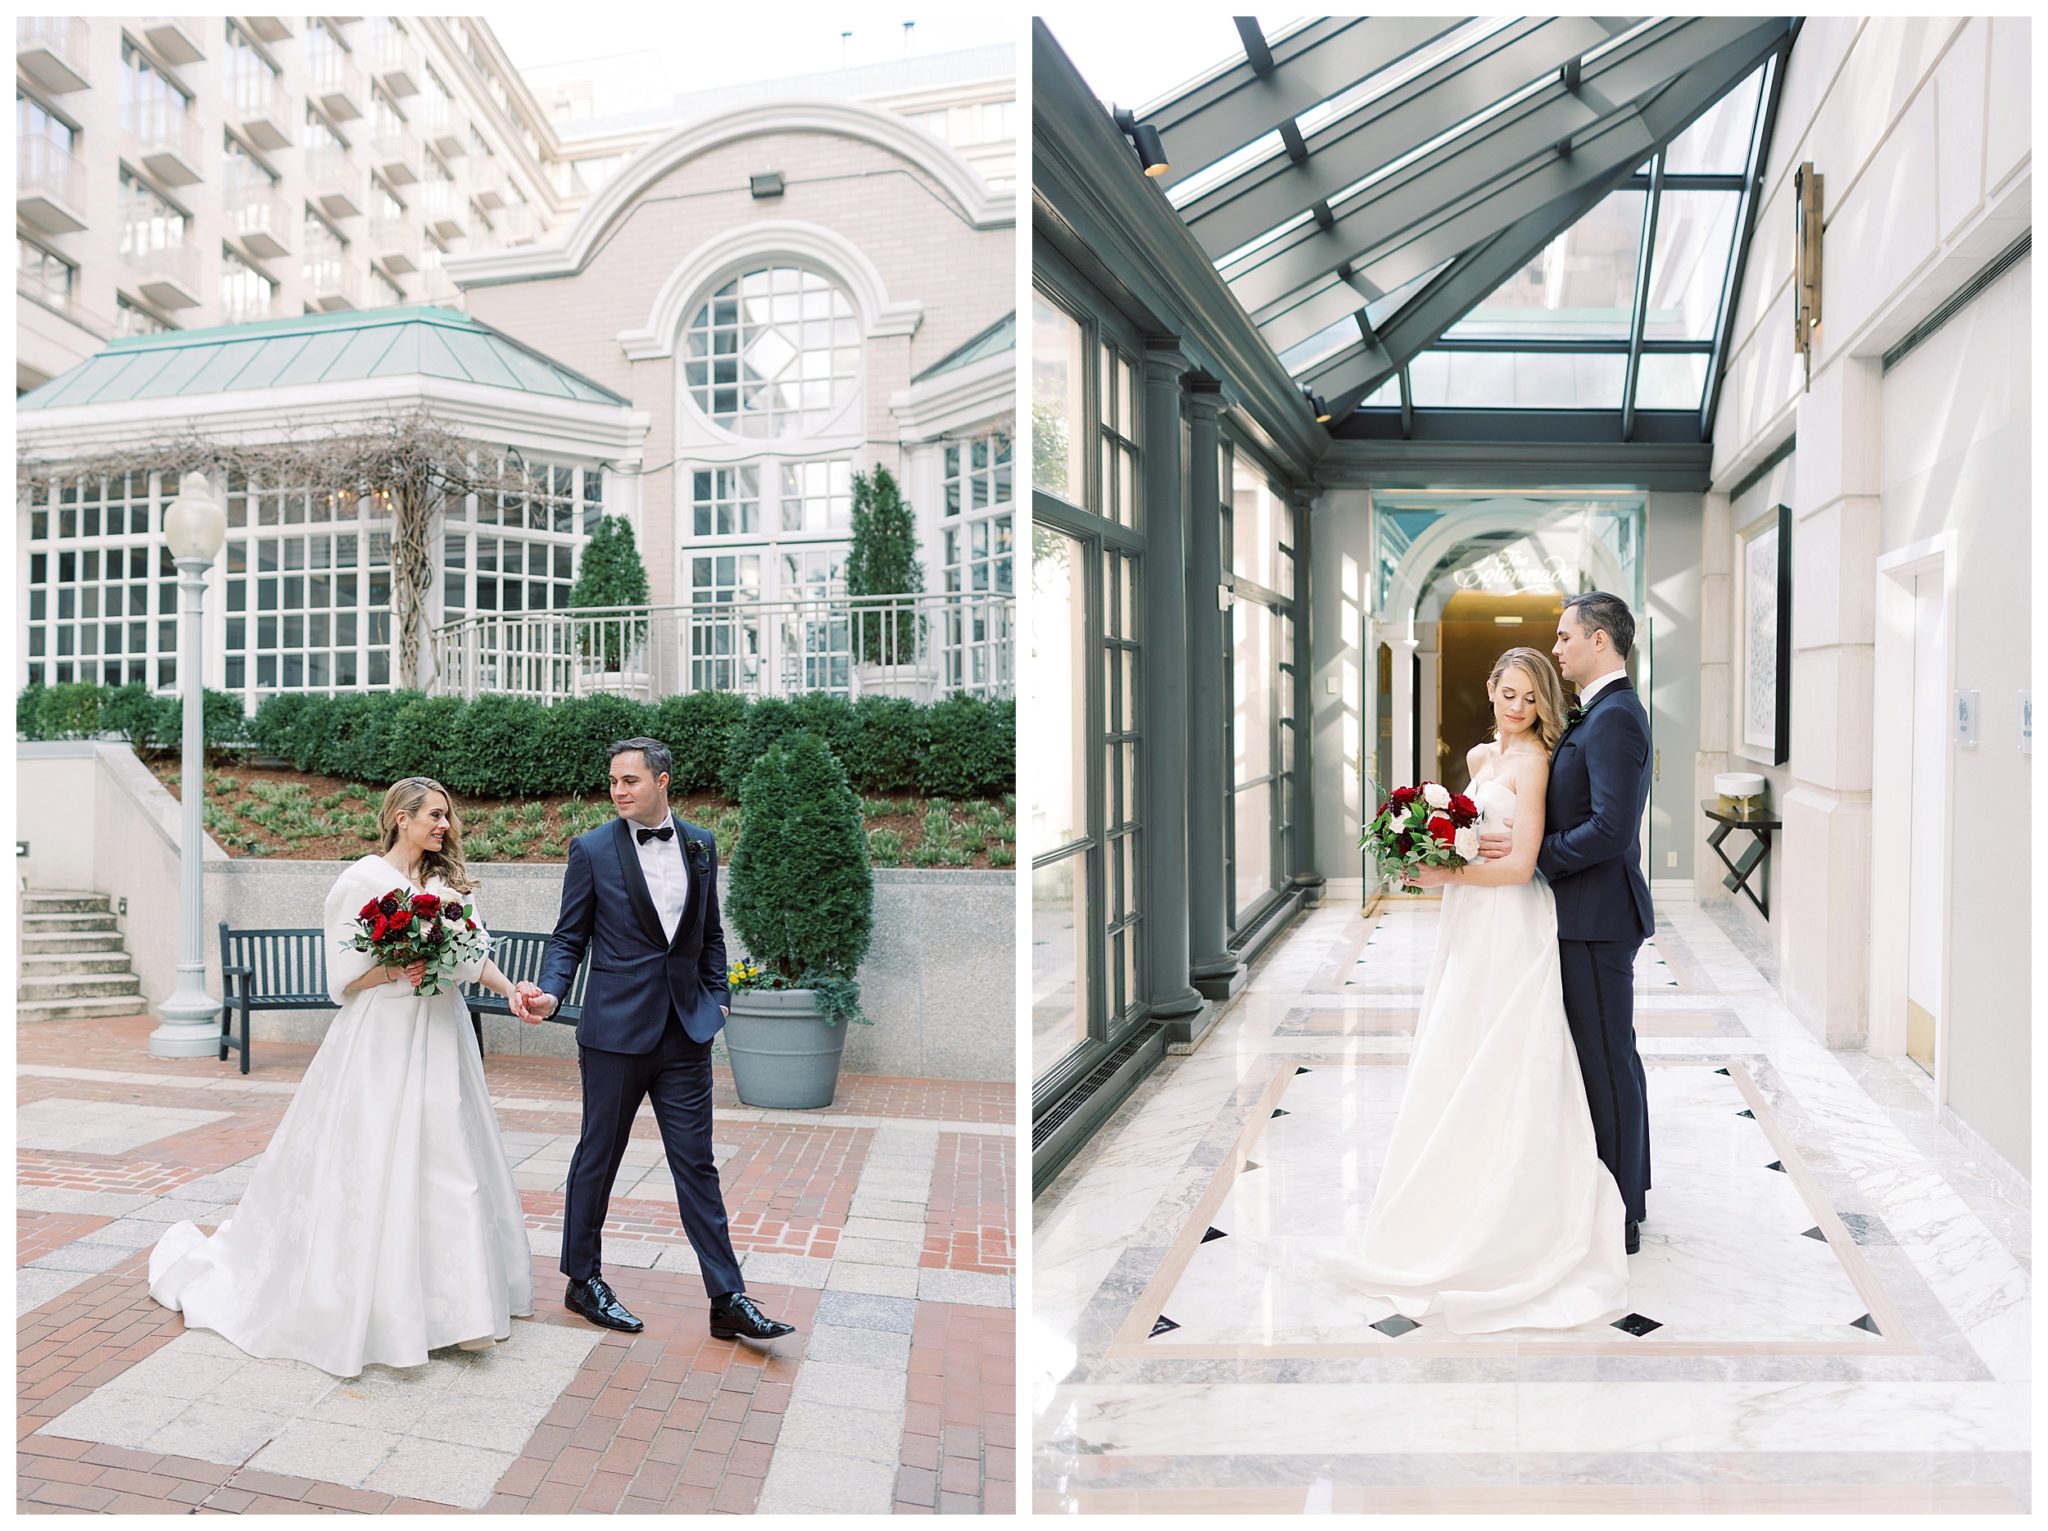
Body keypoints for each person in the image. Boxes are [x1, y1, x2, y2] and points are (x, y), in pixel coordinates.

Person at [147, 778, 539, 1377]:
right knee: (378, 1158)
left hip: (441, 1033)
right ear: (402, 818)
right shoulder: (359, 882)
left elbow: (471, 955)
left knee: (451, 1160)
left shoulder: (447, 884)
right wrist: (391, 969)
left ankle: (460, 1312)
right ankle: (385, 1308)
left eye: (448, 818)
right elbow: (343, 980)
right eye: (435, 816)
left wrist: (511, 990)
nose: (446, 827)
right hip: (381, 1037)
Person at [1338, 647, 1629, 1334]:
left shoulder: (1535, 763)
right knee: (1457, 1041)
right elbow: (1468, 835)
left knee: (1507, 1050)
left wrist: (1446, 877)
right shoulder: (1476, 759)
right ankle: (1449, 1187)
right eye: (1510, 692)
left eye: (1532, 697)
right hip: (1468, 921)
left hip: (1511, 918)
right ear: (1491, 687)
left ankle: (1513, 1208)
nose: (1518, 707)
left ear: (1544, 703)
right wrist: (1432, 850)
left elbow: (1523, 865)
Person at [518, 737, 794, 1344]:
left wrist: (716, 998)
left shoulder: (699, 843)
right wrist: (552, 992)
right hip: (615, 1033)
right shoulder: (591, 850)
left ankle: (727, 1296)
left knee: (696, 1164)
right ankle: (582, 1280)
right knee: (600, 1154)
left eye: (630, 780)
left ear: (662, 781)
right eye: (613, 781)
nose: (618, 790)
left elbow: (710, 932)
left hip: (685, 1032)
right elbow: (570, 938)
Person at [1475, 591, 1656, 1254]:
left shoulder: (1615, 719)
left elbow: (1610, 829)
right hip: (1582, 914)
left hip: (1597, 916)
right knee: (1607, 1059)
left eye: (1563, 638)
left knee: (1606, 1062)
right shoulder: (1600, 712)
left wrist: (1531, 856)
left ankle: (1620, 1214)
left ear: (1599, 641)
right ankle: (1623, 1191)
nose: (1556, 649)